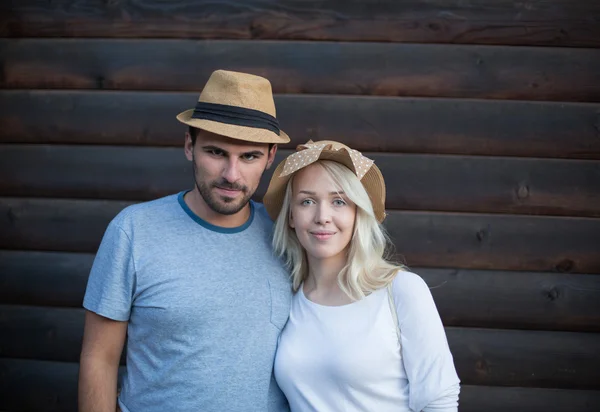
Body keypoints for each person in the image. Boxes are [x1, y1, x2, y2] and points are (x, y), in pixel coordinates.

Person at [78, 70, 292, 412]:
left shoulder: (288, 235)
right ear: (189, 147)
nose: (231, 175)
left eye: (249, 156)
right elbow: (99, 358)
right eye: (216, 152)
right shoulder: (134, 230)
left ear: (270, 157)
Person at [263, 140, 460, 411]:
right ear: (292, 217)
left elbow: (440, 402)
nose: (323, 216)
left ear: (358, 212)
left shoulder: (401, 291)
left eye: (339, 201)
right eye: (307, 201)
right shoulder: (288, 300)